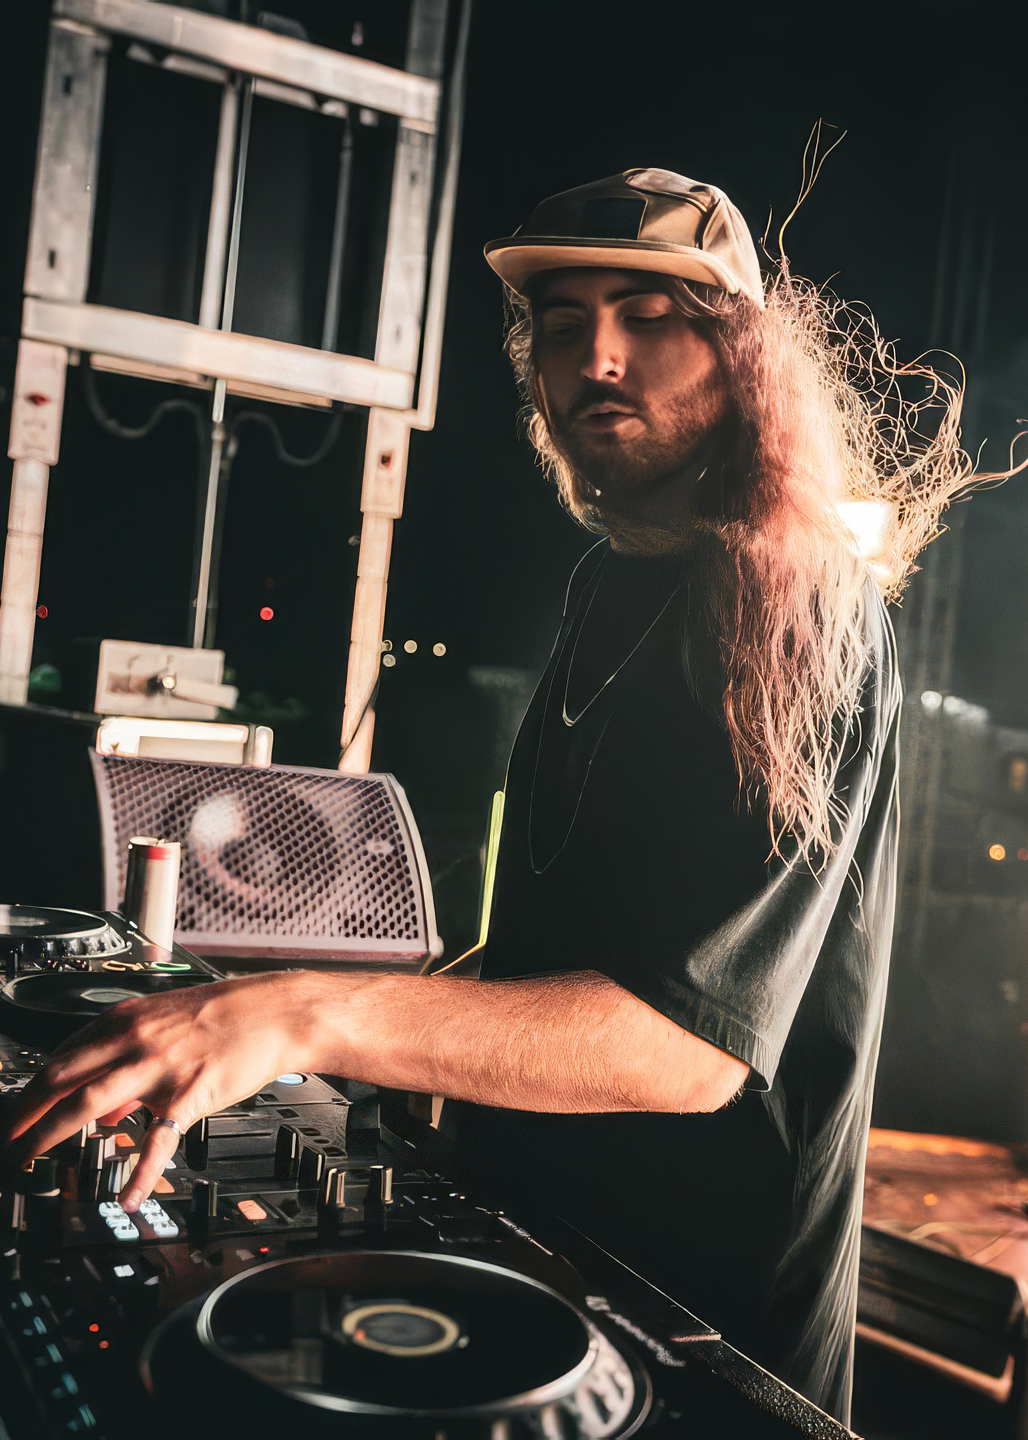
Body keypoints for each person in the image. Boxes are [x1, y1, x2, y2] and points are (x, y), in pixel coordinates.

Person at [2, 168, 984, 1426]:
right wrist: (269, 1025)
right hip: (544, 1252)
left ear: (741, 355)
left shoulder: (793, 604)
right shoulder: (610, 583)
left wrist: (305, 1018)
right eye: (562, 322)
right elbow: (570, 944)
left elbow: (685, 1047)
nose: (598, 355)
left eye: (647, 313)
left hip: (690, 1322)